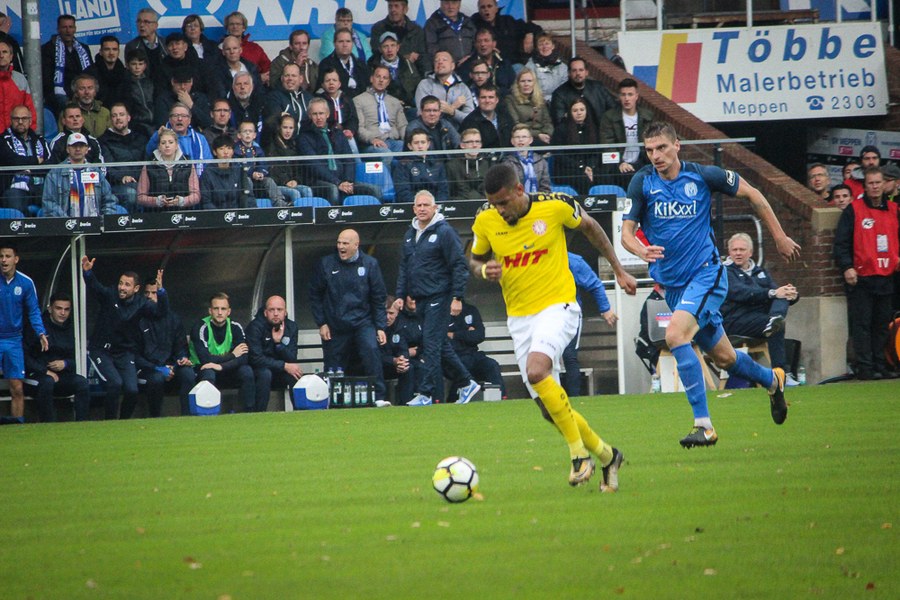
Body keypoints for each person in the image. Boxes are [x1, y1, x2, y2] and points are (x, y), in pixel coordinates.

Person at [620, 121, 800, 448]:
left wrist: (779, 236)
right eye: (649, 150)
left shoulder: (703, 176)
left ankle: (703, 426)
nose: (656, 156)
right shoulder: (642, 182)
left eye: (662, 148)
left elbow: (754, 194)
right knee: (725, 358)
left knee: (675, 335)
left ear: (677, 145)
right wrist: (640, 250)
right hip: (674, 286)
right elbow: (626, 234)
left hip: (706, 274)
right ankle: (773, 381)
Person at [470, 162, 637, 488]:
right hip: (519, 319)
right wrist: (483, 270)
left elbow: (592, 228)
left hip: (558, 306)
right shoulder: (485, 220)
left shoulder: (556, 206)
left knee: (536, 371)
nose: (499, 210)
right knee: (549, 410)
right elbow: (475, 259)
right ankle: (607, 455)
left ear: (520, 190)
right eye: (493, 204)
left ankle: (578, 456)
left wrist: (618, 270)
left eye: (503, 203)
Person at [397, 190, 481, 406]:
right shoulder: (410, 234)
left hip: (440, 296)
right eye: (418, 205)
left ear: (435, 208)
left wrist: (457, 297)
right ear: (413, 208)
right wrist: (401, 294)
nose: (422, 208)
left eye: (426, 205)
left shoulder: (444, 232)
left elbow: (459, 265)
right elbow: (405, 267)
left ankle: (425, 393)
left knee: (431, 344)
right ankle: (467, 383)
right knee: (440, 344)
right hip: (421, 299)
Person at [833, 166, 900, 380]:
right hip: (862, 277)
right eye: (871, 183)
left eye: (878, 183)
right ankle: (866, 368)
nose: (875, 187)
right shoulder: (853, 210)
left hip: (887, 275)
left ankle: (881, 364)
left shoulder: (894, 209)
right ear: (865, 186)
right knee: (862, 324)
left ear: (884, 184)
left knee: (881, 325)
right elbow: (841, 243)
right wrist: (847, 266)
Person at [82, 257, 166, 420]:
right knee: (115, 383)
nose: (122, 287)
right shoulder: (110, 295)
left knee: (132, 390)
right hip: (102, 350)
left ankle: (124, 422)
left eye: (127, 285)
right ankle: (110, 422)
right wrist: (88, 273)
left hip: (124, 351)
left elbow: (161, 312)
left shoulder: (141, 303)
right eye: (121, 283)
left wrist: (161, 292)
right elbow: (96, 288)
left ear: (136, 288)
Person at [310, 230, 388, 402]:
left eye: (345, 243)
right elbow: (315, 295)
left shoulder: (370, 264)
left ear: (356, 245)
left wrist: (380, 326)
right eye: (339, 243)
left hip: (363, 322)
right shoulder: (326, 264)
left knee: (372, 351)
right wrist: (321, 323)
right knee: (333, 365)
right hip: (335, 324)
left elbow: (378, 297)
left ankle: (379, 397)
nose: (341, 247)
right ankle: (332, 400)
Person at [722, 233, 800, 384]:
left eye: (742, 249)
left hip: (759, 318)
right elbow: (742, 293)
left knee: (781, 297)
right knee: (776, 299)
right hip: (734, 320)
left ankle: (775, 319)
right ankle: (781, 374)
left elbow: (775, 292)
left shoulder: (760, 272)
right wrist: (773, 293)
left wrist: (792, 295)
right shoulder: (724, 272)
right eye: (734, 250)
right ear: (729, 252)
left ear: (750, 252)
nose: (738, 253)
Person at [23, 292, 90, 422]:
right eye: (58, 308)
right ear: (50, 309)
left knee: (82, 383)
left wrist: (66, 363)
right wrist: (44, 370)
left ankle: (82, 424)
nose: (62, 313)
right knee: (47, 382)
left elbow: (78, 358)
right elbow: (24, 355)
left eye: (66, 309)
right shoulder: (36, 327)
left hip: (61, 376)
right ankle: (48, 424)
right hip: (35, 376)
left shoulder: (73, 328)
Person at [297, 98, 378, 204]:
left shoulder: (338, 133)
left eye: (321, 113)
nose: (318, 117)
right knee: (333, 190)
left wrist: (347, 182)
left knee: (374, 190)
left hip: (343, 180)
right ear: (309, 115)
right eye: (315, 114)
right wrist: (337, 182)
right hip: (318, 181)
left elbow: (349, 159)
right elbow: (314, 165)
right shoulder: (304, 137)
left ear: (327, 114)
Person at [133, 280, 195, 418]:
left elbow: (181, 347)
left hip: (172, 366)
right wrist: (157, 368)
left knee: (188, 374)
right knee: (157, 379)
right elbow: (135, 356)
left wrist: (180, 360)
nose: (150, 296)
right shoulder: (138, 319)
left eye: (154, 293)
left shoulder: (174, 319)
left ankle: (188, 417)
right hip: (147, 369)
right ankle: (156, 418)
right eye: (146, 293)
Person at [0, 244, 47, 424]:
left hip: (14, 339)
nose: (4, 260)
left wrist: (41, 333)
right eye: (1, 256)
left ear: (16, 259)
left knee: (17, 387)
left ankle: (17, 425)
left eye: (7, 256)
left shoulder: (26, 282)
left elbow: (33, 310)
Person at [561, 252, 617, 397]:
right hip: (544, 314)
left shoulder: (573, 261)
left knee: (569, 355)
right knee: (546, 357)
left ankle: (574, 398)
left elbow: (594, 284)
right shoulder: (537, 260)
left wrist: (605, 309)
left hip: (570, 314)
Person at [189, 293, 256, 412]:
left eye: (223, 309)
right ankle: (208, 412)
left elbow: (244, 358)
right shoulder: (200, 328)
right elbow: (205, 359)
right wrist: (232, 355)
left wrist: (221, 366)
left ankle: (249, 413)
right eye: (216, 308)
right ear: (210, 311)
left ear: (229, 311)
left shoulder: (235, 327)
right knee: (208, 372)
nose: (220, 312)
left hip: (225, 369)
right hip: (202, 369)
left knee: (247, 371)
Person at [246, 295, 302, 413]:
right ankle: (259, 414)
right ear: (265, 312)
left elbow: (292, 358)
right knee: (265, 374)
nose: (276, 314)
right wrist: (284, 365)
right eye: (272, 310)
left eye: (279, 310)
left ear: (285, 312)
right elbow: (256, 359)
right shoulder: (255, 327)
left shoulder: (291, 327)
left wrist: (279, 344)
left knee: (295, 373)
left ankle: (300, 413)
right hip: (259, 370)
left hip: (280, 370)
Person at [42, 133, 118, 217]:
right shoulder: (54, 173)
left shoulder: (96, 172)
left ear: (87, 149)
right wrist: (66, 221)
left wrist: (104, 219)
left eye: (81, 146)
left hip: (94, 223)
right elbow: (49, 203)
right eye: (74, 146)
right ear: (67, 149)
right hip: (66, 223)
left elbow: (109, 200)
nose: (78, 149)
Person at [446, 299, 505, 400]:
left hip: (473, 355)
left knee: (492, 365)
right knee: (464, 366)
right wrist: (467, 333)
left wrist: (454, 334)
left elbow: (479, 335)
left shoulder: (470, 310)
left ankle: (501, 399)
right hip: (452, 358)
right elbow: (443, 338)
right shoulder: (441, 312)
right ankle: (453, 401)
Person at [98, 102, 149, 213]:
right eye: (114, 115)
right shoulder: (103, 141)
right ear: (111, 119)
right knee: (131, 194)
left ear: (128, 118)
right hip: (116, 185)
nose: (118, 118)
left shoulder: (140, 138)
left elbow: (146, 163)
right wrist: (122, 177)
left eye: (121, 114)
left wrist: (139, 178)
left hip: (140, 182)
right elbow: (107, 168)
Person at [599, 78, 653, 180]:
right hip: (617, 166)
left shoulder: (647, 116)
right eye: (623, 95)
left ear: (636, 96)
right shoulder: (609, 117)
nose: (626, 98)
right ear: (619, 96)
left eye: (630, 94)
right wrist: (620, 163)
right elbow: (607, 144)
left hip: (642, 163)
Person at [137, 127, 200, 211]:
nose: (167, 145)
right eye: (163, 143)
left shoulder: (188, 164)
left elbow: (196, 195)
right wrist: (157, 201)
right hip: (156, 214)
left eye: (170, 142)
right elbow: (140, 197)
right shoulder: (149, 165)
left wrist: (182, 201)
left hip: (183, 213)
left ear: (176, 145)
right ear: (159, 146)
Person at [1, 106, 49, 215]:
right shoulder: (3, 140)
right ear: (11, 120)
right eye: (16, 119)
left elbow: (50, 163)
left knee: (54, 197)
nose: (20, 122)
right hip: (14, 188)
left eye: (24, 118)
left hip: (40, 186)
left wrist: (30, 170)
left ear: (30, 121)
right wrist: (36, 161)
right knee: (14, 202)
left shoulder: (40, 140)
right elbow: (13, 160)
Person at [41, 15, 92, 115]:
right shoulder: (47, 49)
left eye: (71, 27)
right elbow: (47, 79)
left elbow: (91, 73)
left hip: (81, 91)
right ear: (58, 29)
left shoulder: (83, 49)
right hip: (59, 94)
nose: (68, 31)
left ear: (75, 29)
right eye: (64, 27)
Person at [353, 65, 408, 157]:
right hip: (371, 143)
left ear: (388, 82)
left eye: (385, 78)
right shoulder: (358, 100)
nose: (381, 80)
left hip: (393, 140)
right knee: (386, 154)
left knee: (408, 149)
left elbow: (403, 126)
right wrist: (372, 139)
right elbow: (359, 128)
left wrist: (410, 141)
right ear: (371, 79)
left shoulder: (395, 102)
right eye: (378, 76)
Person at [144, 102, 212, 175]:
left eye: (183, 116)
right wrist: (157, 136)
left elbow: (208, 164)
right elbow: (148, 152)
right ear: (170, 119)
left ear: (189, 120)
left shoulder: (200, 139)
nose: (179, 119)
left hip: (197, 179)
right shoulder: (161, 135)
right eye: (175, 115)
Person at [550, 98, 599, 195]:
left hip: (588, 168)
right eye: (575, 110)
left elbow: (596, 153)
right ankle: (585, 203)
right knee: (583, 180)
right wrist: (581, 167)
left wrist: (589, 166)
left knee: (603, 176)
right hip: (566, 170)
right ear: (570, 112)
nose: (579, 113)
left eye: (582, 110)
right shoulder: (561, 129)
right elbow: (559, 155)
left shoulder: (593, 129)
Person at [549, 56, 617, 126]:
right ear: (569, 73)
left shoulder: (598, 88)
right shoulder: (559, 94)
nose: (578, 73)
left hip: (601, 130)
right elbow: (559, 121)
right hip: (573, 131)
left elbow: (614, 110)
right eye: (574, 70)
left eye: (581, 70)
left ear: (586, 72)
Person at [471, 0, 541, 66]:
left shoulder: (508, 21)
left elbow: (535, 28)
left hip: (515, 63)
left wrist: (529, 34)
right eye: (483, 7)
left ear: (496, 8)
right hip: (489, 66)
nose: (486, 9)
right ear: (479, 10)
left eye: (489, 6)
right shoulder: (474, 26)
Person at [414, 51, 474, 127]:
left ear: (452, 66)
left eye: (444, 60)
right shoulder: (425, 84)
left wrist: (453, 112)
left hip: (457, 130)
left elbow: (470, 119)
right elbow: (423, 115)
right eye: (436, 61)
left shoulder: (462, 88)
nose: (440, 62)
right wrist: (452, 107)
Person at [234, 121, 287, 207]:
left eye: (250, 131)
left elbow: (263, 164)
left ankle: (280, 204)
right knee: (247, 181)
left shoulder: (258, 150)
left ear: (254, 135)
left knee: (269, 181)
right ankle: (251, 205)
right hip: (242, 180)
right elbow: (237, 167)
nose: (248, 133)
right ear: (239, 135)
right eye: (245, 131)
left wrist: (261, 173)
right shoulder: (236, 149)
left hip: (256, 179)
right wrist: (251, 174)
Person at [264, 114, 314, 205]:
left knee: (307, 190)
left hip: (292, 183)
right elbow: (268, 124)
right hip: (277, 185)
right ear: (279, 127)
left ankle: (309, 213)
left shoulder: (293, 144)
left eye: (291, 128)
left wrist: (296, 180)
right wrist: (279, 115)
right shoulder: (270, 142)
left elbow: (298, 169)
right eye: (285, 127)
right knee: (295, 193)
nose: (288, 131)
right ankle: (295, 214)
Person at [368, 31, 422, 114]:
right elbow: (370, 90)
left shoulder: (407, 64)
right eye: (385, 46)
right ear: (380, 49)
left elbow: (417, 85)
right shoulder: (372, 65)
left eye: (393, 45)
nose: (390, 50)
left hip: (407, 106)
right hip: (382, 107)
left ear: (398, 47)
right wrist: (392, 102)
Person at [392, 128, 449, 203]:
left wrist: (434, 204)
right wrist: (420, 204)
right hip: (413, 206)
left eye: (423, 142)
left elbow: (443, 190)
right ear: (410, 146)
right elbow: (403, 192)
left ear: (428, 144)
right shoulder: (403, 165)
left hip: (435, 205)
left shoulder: (437, 163)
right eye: (416, 143)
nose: (420, 146)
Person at [262, 63, 311, 148]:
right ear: (282, 78)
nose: (290, 78)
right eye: (287, 75)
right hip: (282, 147)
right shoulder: (273, 97)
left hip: (305, 144)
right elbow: (274, 120)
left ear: (301, 79)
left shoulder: (308, 98)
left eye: (293, 75)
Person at [370, 0, 427, 73]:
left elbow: (423, 56)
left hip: (412, 74)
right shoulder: (378, 29)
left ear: (405, 9)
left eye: (396, 6)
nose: (393, 10)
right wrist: (404, 58)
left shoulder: (416, 30)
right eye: (390, 6)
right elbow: (377, 53)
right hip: (386, 73)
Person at [200, 134, 253, 210]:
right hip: (216, 215)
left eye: (229, 148)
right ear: (215, 152)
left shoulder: (239, 170)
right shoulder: (207, 173)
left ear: (233, 151)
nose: (226, 152)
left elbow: (249, 197)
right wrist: (220, 214)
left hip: (237, 214)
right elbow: (206, 201)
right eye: (221, 149)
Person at [152, 67, 213, 132]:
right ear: (172, 82)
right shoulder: (163, 99)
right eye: (179, 83)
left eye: (185, 83)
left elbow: (207, 123)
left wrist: (191, 105)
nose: (182, 87)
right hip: (171, 135)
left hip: (194, 134)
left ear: (191, 82)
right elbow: (162, 124)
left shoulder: (200, 98)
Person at [457, 28, 515, 96]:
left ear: (494, 44)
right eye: (479, 41)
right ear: (475, 44)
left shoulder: (504, 63)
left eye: (486, 40)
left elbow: (512, 86)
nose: (482, 44)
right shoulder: (467, 65)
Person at [503, 68, 553, 146]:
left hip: (544, 136)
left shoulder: (540, 99)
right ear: (517, 84)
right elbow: (515, 124)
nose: (526, 84)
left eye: (529, 81)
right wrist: (538, 135)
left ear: (534, 83)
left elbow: (547, 121)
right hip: (522, 137)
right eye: (523, 81)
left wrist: (547, 134)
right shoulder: (510, 100)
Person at [317, 67, 361, 156]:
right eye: (327, 81)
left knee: (351, 143)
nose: (331, 83)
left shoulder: (347, 99)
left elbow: (353, 118)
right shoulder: (319, 101)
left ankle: (356, 164)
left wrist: (349, 130)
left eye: (334, 80)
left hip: (346, 134)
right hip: (329, 134)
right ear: (322, 85)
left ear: (339, 84)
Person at [317, 29, 370, 100]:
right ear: (334, 44)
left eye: (348, 41)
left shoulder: (361, 64)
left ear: (352, 43)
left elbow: (368, 87)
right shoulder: (326, 64)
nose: (345, 45)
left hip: (361, 102)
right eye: (341, 41)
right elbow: (321, 90)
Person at [460, 84, 515, 150]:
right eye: (483, 97)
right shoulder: (469, 122)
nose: (487, 101)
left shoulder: (506, 118)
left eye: (491, 97)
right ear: (478, 100)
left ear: (497, 100)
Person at [447, 128, 496, 199]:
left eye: (477, 141)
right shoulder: (452, 166)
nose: (474, 145)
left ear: (481, 145)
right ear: (462, 145)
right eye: (470, 142)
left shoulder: (488, 164)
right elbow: (451, 193)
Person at [424, 0, 477, 66]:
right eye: (446, 2)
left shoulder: (468, 21)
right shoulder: (432, 23)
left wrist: (471, 57)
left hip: (470, 65)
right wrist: (449, 61)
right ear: (441, 3)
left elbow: (476, 42)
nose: (450, 6)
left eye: (454, 2)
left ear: (459, 3)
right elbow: (430, 47)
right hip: (445, 67)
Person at [223, 11, 271, 85]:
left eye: (238, 24)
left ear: (244, 28)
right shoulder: (219, 49)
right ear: (227, 28)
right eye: (231, 24)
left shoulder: (255, 48)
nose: (235, 27)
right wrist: (258, 78)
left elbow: (268, 68)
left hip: (256, 89)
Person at [503, 124, 550, 193]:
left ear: (531, 140)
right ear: (512, 141)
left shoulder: (541, 162)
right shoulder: (506, 163)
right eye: (517, 137)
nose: (521, 140)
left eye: (524, 137)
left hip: (538, 198)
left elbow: (545, 187)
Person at [0, 40, 35, 130]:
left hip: (16, 134)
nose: (1, 55)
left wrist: (31, 132)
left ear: (11, 56)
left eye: (5, 52)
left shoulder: (20, 79)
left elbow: (29, 109)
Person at [215, 35, 263, 99]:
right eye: (228, 49)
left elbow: (260, 91)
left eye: (235, 48)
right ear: (223, 52)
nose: (232, 52)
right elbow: (220, 95)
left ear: (240, 50)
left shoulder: (252, 68)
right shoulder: (217, 71)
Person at [122, 49, 156, 137]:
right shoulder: (124, 84)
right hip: (137, 125)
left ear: (145, 66)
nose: (137, 67)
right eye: (134, 64)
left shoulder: (150, 82)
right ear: (127, 65)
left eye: (140, 64)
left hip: (155, 122)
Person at [124, 9, 166, 80]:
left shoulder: (165, 43)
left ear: (155, 25)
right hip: (143, 84)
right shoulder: (131, 46)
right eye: (139, 21)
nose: (141, 25)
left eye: (146, 22)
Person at [525, 34, 567, 102]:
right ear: (537, 48)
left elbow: (564, 86)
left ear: (553, 46)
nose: (544, 47)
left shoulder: (562, 66)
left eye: (547, 44)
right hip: (537, 100)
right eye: (541, 44)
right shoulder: (530, 65)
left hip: (558, 100)